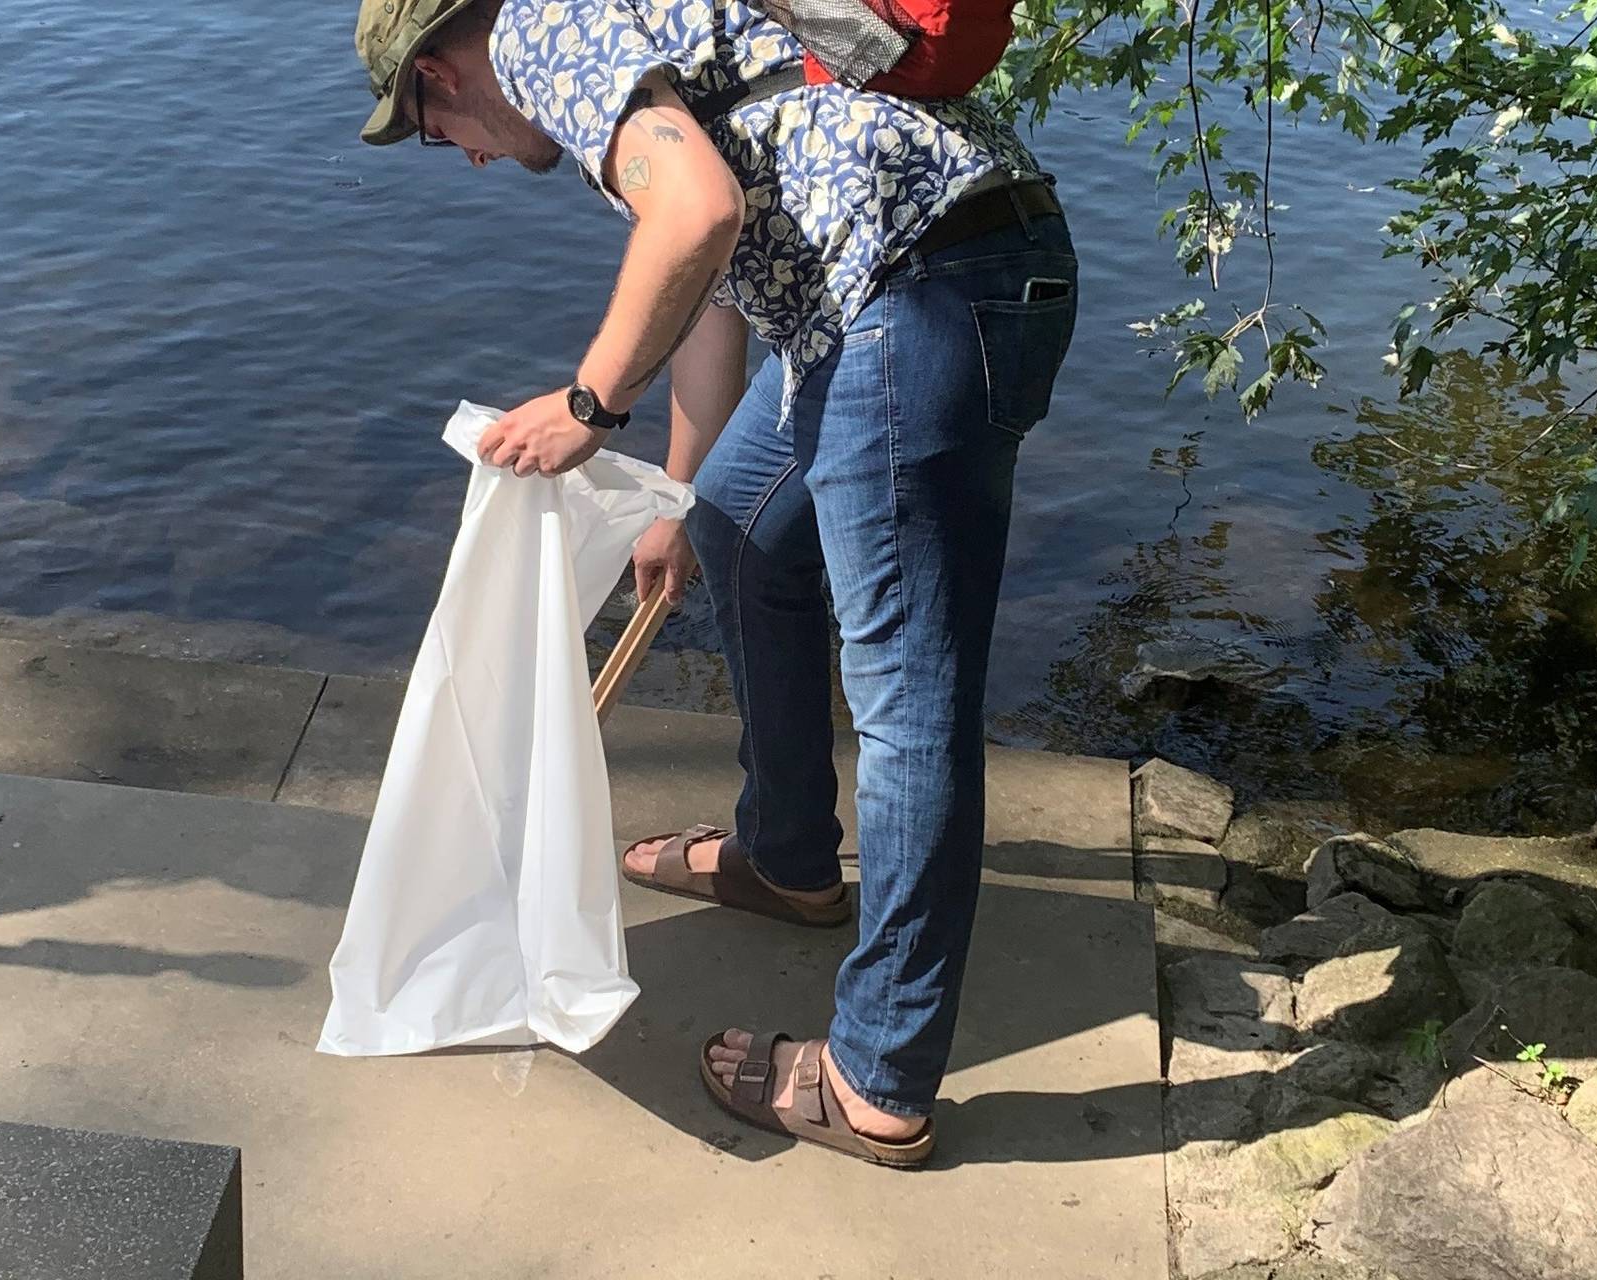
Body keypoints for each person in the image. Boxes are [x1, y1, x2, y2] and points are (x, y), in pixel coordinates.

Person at [355, 0, 1077, 1166]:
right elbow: (713, 279)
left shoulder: (541, 34)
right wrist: (674, 505)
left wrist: (591, 404)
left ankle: (879, 1075)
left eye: (438, 129)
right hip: (893, 290)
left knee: (906, 704)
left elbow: (695, 212)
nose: (473, 156)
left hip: (925, 295)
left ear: (445, 67)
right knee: (739, 529)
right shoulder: (609, 36)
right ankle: (788, 857)